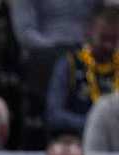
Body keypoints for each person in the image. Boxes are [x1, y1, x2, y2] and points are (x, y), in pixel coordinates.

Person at [45, 7, 119, 136]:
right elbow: (53, 115)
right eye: (104, 38)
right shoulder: (69, 63)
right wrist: (94, 124)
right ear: (89, 32)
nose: (109, 46)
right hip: (77, 138)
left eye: (114, 40)